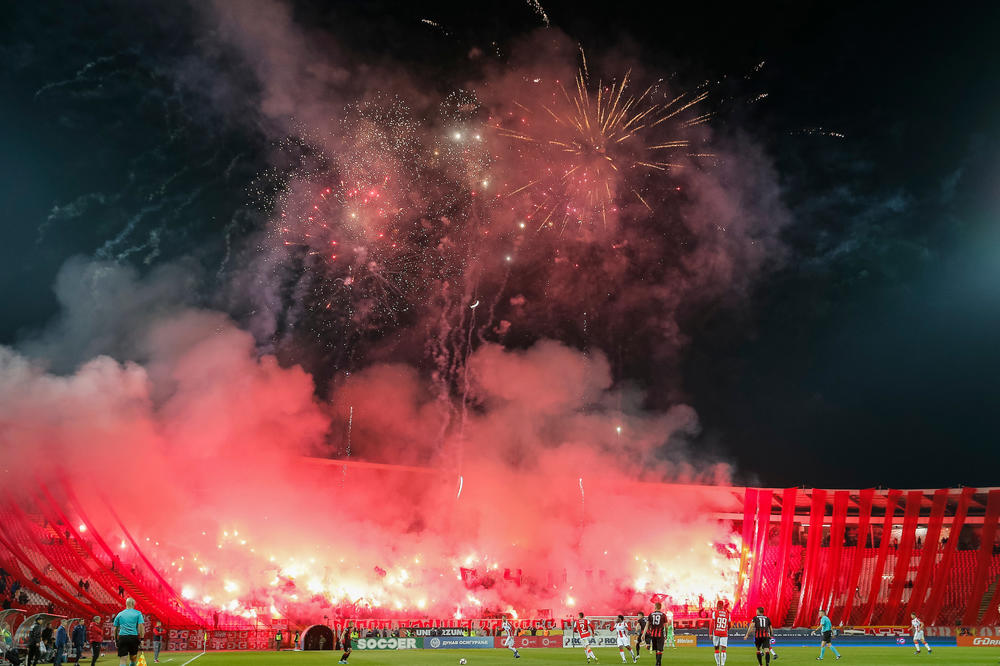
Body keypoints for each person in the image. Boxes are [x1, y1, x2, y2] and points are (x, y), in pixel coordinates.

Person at [113, 597, 145, 666]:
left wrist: (116, 640)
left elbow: (115, 629)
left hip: (122, 637)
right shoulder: (138, 613)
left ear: (126, 604)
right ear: (133, 604)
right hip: (133, 637)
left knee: (122, 660)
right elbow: (141, 627)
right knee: (133, 659)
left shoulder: (120, 614)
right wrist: (142, 639)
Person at [710, 599, 730, 666]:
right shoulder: (727, 613)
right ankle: (722, 664)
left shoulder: (715, 613)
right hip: (724, 633)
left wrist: (710, 633)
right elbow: (729, 624)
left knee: (716, 648)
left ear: (718, 605)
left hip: (716, 633)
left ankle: (718, 664)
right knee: (723, 649)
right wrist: (727, 629)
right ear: (723, 606)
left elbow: (712, 623)